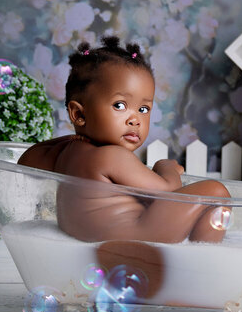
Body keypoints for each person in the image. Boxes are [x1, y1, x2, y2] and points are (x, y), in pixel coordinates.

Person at [18, 36, 231, 244]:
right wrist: (166, 168)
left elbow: (26, 161)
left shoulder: (67, 151)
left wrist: (72, 136)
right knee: (216, 192)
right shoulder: (113, 156)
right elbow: (169, 193)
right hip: (137, 235)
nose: (135, 119)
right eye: (120, 105)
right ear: (79, 114)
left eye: (144, 109)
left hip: (86, 237)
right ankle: (202, 254)